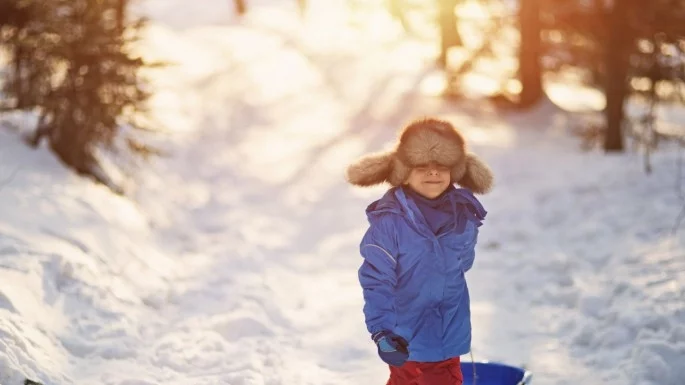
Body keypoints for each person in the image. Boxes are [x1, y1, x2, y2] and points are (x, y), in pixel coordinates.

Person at [345, 117, 494, 385]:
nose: (433, 173)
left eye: (442, 167)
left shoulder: (463, 216)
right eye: (422, 166)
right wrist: (381, 331)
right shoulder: (390, 222)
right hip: (404, 337)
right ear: (403, 172)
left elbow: (463, 263)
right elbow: (377, 279)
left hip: (447, 333)